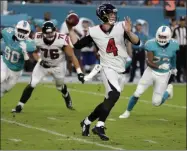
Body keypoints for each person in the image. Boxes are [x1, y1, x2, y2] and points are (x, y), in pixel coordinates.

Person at [66, 3, 140, 141]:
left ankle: (87, 122)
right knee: (114, 94)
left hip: (120, 70)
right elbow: (77, 45)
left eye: (113, 13)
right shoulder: (94, 31)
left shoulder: (121, 27)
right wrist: (70, 29)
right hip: (107, 68)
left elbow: (137, 42)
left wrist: (129, 32)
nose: (113, 15)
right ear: (102, 15)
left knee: (108, 101)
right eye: (110, 13)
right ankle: (100, 125)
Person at [12, 21, 84, 113]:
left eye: (51, 32)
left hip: (58, 65)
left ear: (55, 31)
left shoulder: (62, 39)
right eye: (47, 33)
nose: (50, 35)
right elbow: (34, 52)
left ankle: (66, 95)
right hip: (43, 64)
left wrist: (79, 72)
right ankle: (19, 105)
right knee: (32, 84)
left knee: (60, 87)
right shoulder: (37, 38)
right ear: (43, 33)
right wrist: (40, 61)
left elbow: (72, 56)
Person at [119, 26, 179, 119]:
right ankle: (127, 111)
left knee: (156, 103)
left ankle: (168, 91)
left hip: (164, 75)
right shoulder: (151, 44)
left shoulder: (174, 45)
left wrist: (174, 67)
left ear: (169, 36)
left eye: (164, 37)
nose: (162, 38)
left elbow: (174, 56)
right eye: (160, 36)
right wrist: (159, 66)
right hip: (151, 72)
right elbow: (149, 62)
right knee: (137, 93)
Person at [0, 20, 36, 97]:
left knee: (5, 89)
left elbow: (30, 66)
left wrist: (25, 54)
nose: (22, 33)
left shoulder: (30, 44)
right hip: (4, 62)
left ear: (28, 32)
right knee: (1, 76)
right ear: (16, 29)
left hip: (16, 70)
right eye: (20, 30)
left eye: (24, 31)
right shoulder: (8, 32)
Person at [172, 16, 187, 82]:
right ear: (179, 21)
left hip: (185, 48)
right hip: (179, 48)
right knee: (178, 64)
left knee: (185, 64)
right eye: (181, 21)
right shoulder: (176, 30)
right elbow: (172, 39)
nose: (182, 22)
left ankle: (185, 78)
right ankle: (178, 79)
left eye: (183, 21)